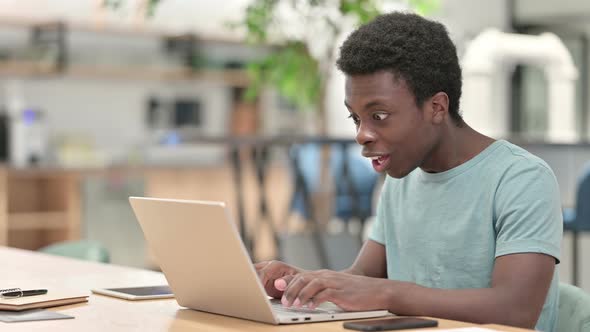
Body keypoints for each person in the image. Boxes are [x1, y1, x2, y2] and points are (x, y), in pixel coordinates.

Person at [255, 11, 563, 332]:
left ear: (436, 108)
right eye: (356, 118)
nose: (362, 134)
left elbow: (515, 311)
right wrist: (303, 282)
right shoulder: (401, 180)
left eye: (380, 115)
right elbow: (363, 280)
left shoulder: (522, 179)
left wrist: (388, 292)